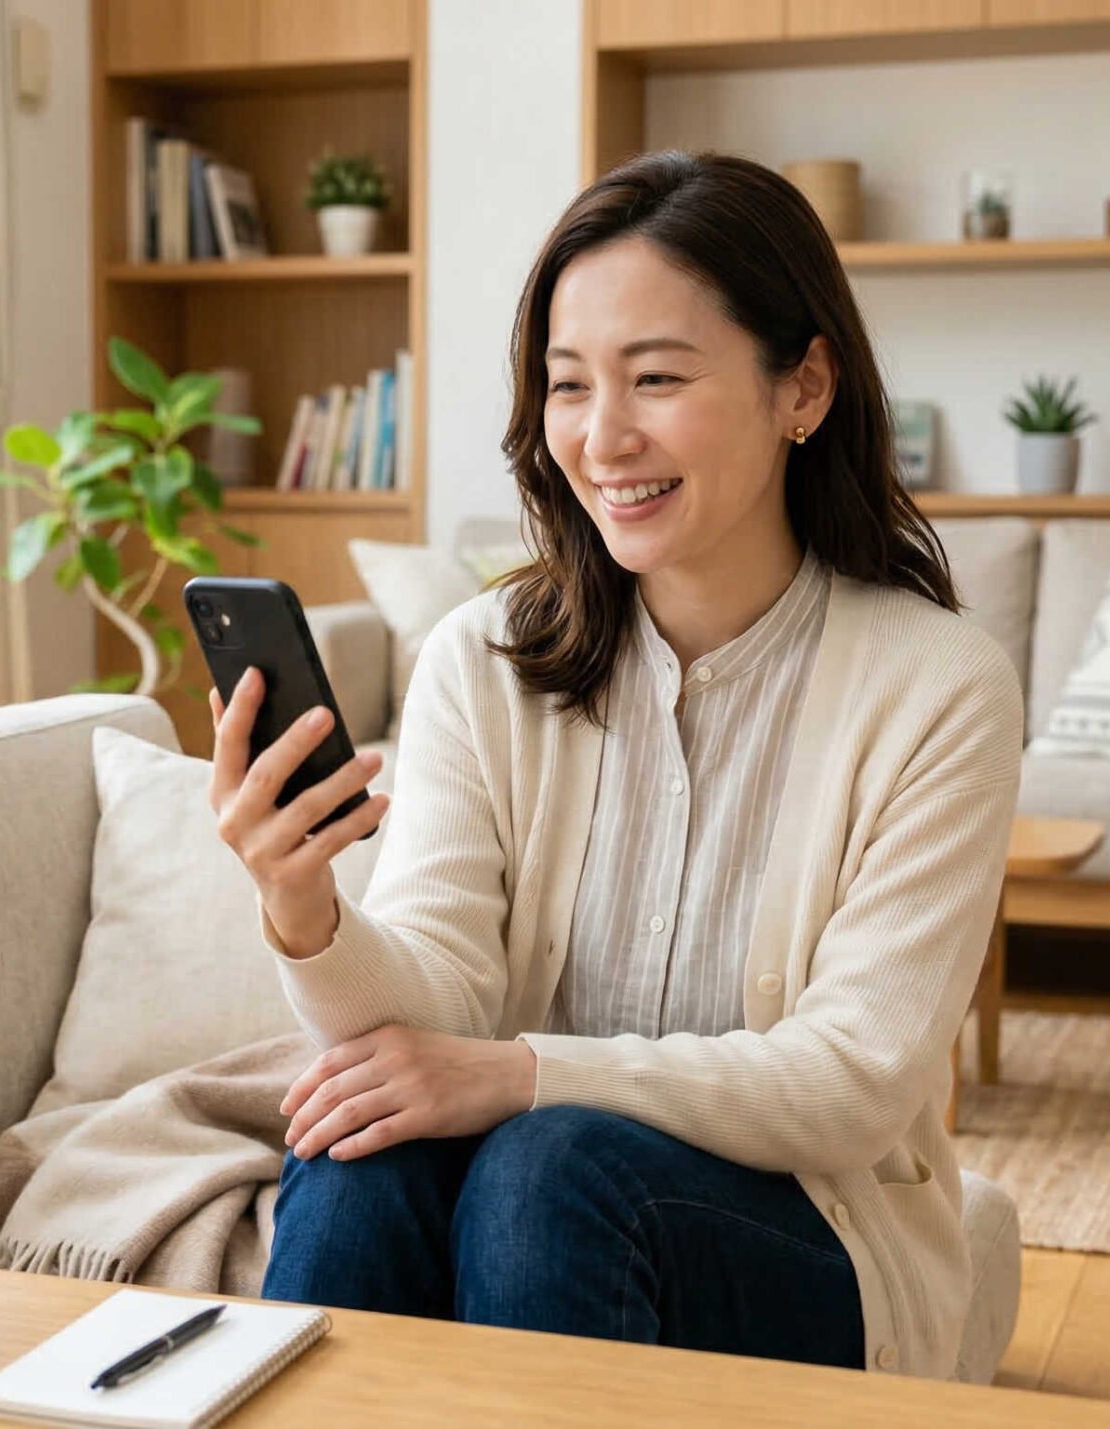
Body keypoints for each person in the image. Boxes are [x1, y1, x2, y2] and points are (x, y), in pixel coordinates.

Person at [205, 150, 1023, 1380]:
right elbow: (434, 1006)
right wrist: (303, 907)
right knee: (361, 1137)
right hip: (534, 1209)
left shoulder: (939, 686)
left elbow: (852, 1080)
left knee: (548, 1165)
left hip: (810, 1236)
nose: (601, 437)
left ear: (803, 387)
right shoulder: (480, 658)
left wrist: (524, 1076)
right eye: (568, 384)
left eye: (656, 378)